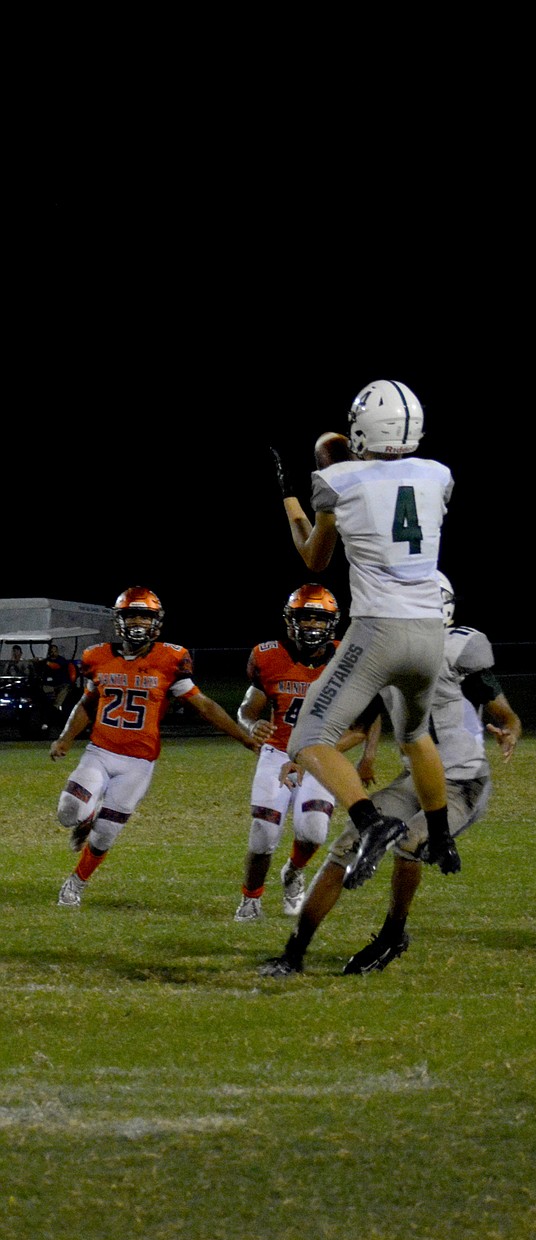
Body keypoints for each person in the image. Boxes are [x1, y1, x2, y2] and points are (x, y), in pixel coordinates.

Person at [260, 570, 522, 978]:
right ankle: (294, 951)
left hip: (462, 782)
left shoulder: (458, 646)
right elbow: (360, 725)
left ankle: (392, 934)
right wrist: (312, 753)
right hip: (411, 779)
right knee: (346, 846)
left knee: (412, 843)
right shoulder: (385, 651)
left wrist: (510, 728)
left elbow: (502, 708)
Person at [271, 379, 458, 896]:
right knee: (415, 735)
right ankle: (441, 835)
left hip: (379, 630)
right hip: (429, 634)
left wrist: (293, 502)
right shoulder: (438, 475)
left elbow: (316, 558)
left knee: (308, 737)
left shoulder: (340, 481)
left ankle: (371, 821)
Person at [49, 586, 260, 907]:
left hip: (138, 763)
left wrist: (244, 736)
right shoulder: (98, 656)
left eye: (144, 616)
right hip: (100, 753)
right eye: (131, 615)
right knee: (68, 813)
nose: (137, 622)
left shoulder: (170, 658)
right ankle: (87, 813)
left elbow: (203, 705)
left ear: (156, 622)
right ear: (119, 620)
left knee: (105, 834)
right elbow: (87, 703)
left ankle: (76, 882)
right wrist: (66, 738)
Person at [233, 583, 372, 922]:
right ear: (290, 620)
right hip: (278, 753)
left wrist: (317, 752)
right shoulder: (267, 656)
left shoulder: (347, 658)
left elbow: (363, 724)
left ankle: (294, 871)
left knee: (313, 833)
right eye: (305, 618)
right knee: (263, 833)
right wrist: (251, 726)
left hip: (324, 756)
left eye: (319, 619)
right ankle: (250, 899)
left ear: (332, 623)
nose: (311, 626)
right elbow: (248, 709)